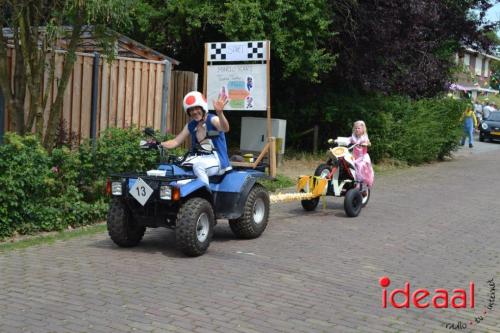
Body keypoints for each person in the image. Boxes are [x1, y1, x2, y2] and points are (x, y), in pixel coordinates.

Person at [160, 91, 231, 186]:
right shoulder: (191, 125)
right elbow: (175, 141)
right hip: (199, 158)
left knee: (199, 167)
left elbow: (225, 128)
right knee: (176, 163)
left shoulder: (212, 119)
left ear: (203, 108)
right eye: (191, 110)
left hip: (217, 160)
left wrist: (220, 113)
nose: (194, 112)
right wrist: (158, 144)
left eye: (197, 108)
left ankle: (204, 195)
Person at [348, 120, 374, 188]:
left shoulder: (364, 137)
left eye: (358, 128)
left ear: (363, 129)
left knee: (360, 167)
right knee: (348, 164)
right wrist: (339, 140)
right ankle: (350, 180)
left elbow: (369, 143)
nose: (357, 130)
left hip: (362, 157)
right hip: (354, 156)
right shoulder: (353, 137)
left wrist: (365, 144)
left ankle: (360, 183)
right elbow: (348, 140)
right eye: (355, 128)